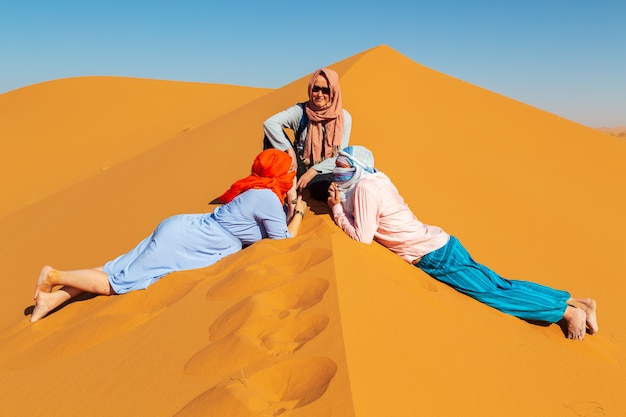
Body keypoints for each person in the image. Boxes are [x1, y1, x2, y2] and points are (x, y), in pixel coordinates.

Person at [326, 145, 598, 340]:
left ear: (358, 168)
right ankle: (577, 302)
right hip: (442, 244)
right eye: (336, 168)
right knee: (500, 284)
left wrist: (336, 209)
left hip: (432, 257)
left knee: (495, 296)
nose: (339, 174)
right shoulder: (377, 178)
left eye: (343, 168)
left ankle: (565, 312)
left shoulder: (363, 189)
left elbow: (362, 237)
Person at [31, 149, 308, 323]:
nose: (291, 175)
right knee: (117, 283)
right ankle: (54, 276)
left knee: (115, 268)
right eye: (289, 172)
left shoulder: (255, 188)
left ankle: (52, 300)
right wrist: (300, 214)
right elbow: (284, 242)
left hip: (186, 228)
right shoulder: (266, 198)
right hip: (190, 242)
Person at [263, 67, 352, 202]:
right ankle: (276, 189)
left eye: (326, 90)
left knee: (321, 188)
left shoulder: (343, 117)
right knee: (270, 139)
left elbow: (339, 156)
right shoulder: (302, 111)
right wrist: (289, 150)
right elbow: (270, 124)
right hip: (298, 166)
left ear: (333, 91)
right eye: (316, 88)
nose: (319, 94)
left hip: (325, 171)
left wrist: (313, 171)